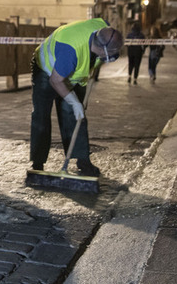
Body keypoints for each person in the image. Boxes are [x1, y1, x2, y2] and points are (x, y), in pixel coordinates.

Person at [30, 19, 124, 177]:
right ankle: (37, 163)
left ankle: (82, 160)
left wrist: (76, 104)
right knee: (41, 114)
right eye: (112, 52)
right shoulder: (70, 51)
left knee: (76, 115)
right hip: (47, 71)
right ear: (101, 48)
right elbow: (55, 80)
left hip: (74, 76)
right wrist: (74, 102)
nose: (113, 57)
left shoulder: (102, 30)